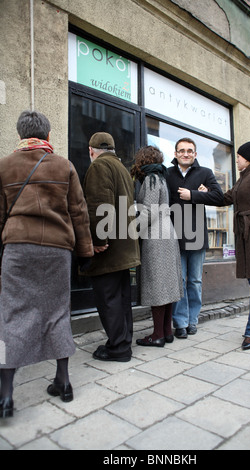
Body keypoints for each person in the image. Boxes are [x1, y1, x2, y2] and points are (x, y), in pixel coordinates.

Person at [0, 110, 94, 418]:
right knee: (58, 311)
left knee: (12, 314)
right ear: (48, 135)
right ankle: (63, 382)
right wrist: (86, 253)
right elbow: (78, 213)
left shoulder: (5, 165)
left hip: (18, 247)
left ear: (20, 134)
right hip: (57, 249)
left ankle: (6, 395)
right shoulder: (64, 165)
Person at [200, 141, 250, 350]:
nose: (236, 159)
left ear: (249, 157)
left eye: (239, 156)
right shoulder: (244, 177)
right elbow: (227, 198)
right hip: (248, 233)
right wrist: (206, 193)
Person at [82, 132, 140, 362]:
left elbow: (99, 205)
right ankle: (122, 342)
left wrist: (98, 240)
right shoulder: (123, 169)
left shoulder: (99, 166)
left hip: (109, 248)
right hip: (124, 246)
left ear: (91, 150)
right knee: (122, 299)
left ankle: (118, 348)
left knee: (109, 299)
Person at [166, 137, 224, 339]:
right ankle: (180, 322)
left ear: (195, 154)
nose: (185, 154)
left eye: (189, 151)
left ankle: (192, 320)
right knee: (179, 280)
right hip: (175, 236)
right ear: (175, 154)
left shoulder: (205, 173)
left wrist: (194, 195)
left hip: (197, 235)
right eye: (181, 150)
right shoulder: (168, 174)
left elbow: (219, 197)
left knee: (196, 281)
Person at [131, 146, 183, 347]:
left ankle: (157, 335)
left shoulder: (151, 179)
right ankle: (167, 332)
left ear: (142, 160)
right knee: (167, 286)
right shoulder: (160, 177)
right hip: (166, 233)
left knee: (158, 285)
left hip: (156, 236)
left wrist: (131, 231)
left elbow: (149, 212)